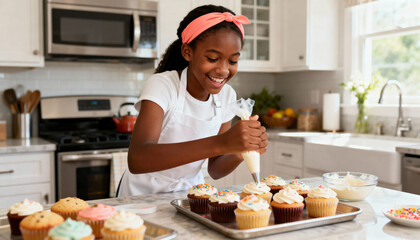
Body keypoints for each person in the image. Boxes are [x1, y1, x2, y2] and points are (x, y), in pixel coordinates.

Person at [118, 5, 268, 196]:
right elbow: (138, 159)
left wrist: (239, 149)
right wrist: (222, 142)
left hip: (190, 196)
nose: (223, 70)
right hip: (141, 197)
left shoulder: (226, 95)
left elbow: (215, 169)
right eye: (213, 58)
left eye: (232, 61)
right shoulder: (163, 86)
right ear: (188, 52)